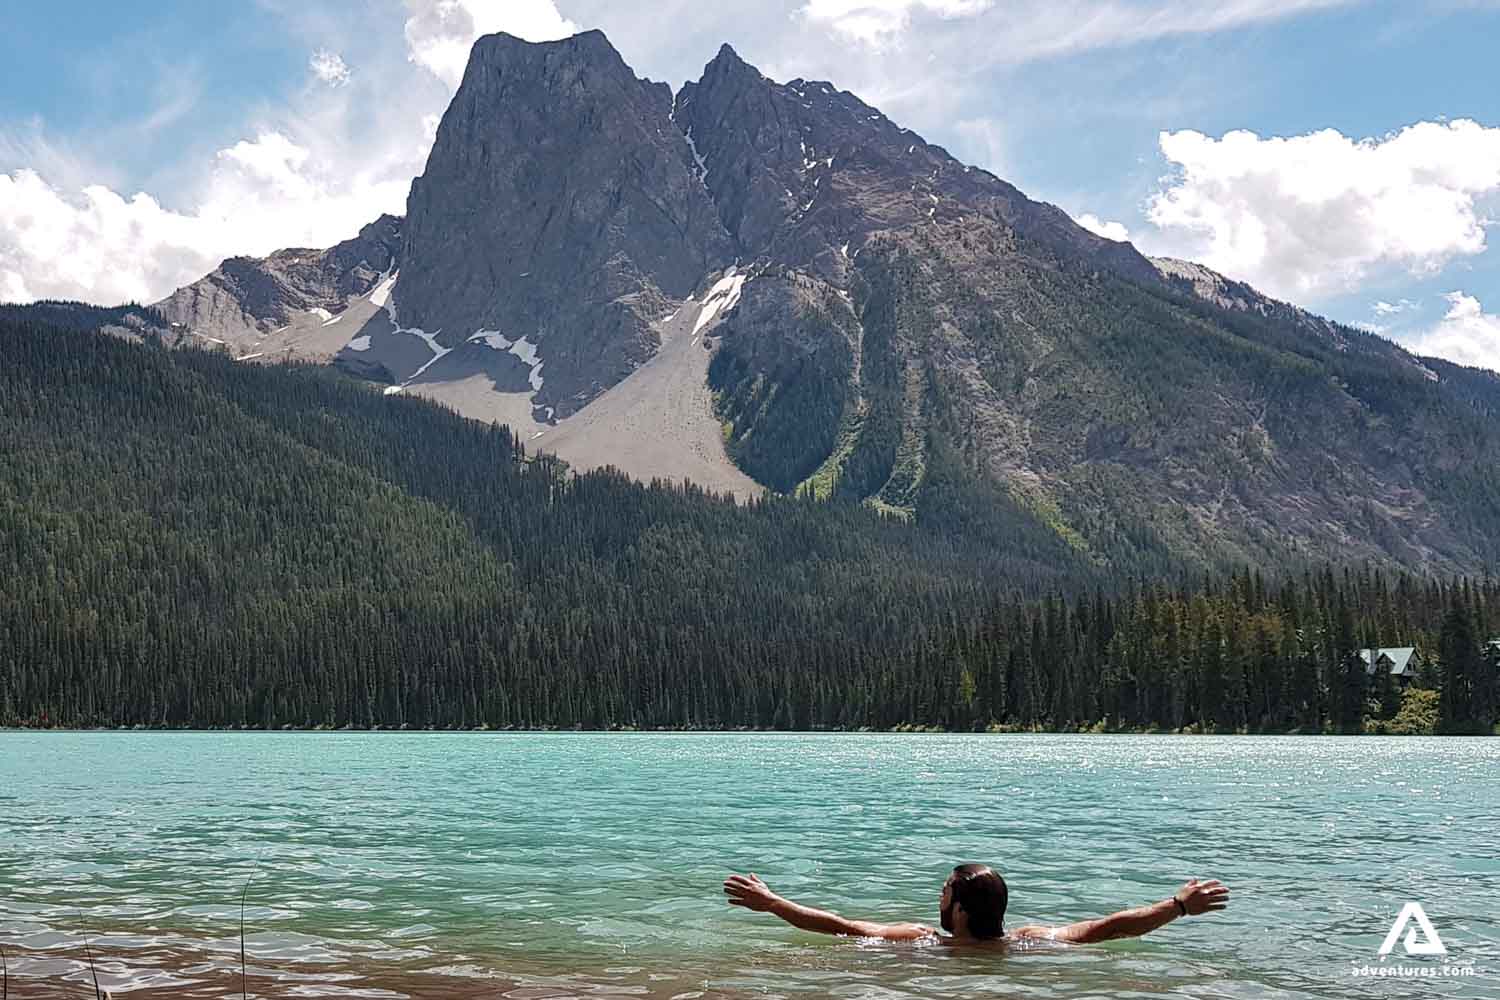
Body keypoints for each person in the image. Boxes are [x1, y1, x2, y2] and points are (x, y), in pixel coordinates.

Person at [722, 863, 1229, 944]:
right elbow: (1109, 927)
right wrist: (1179, 906)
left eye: (944, 891)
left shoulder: (921, 942)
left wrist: (771, 904)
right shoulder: (1032, 942)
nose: (937, 897)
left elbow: (838, 926)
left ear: (958, 911)